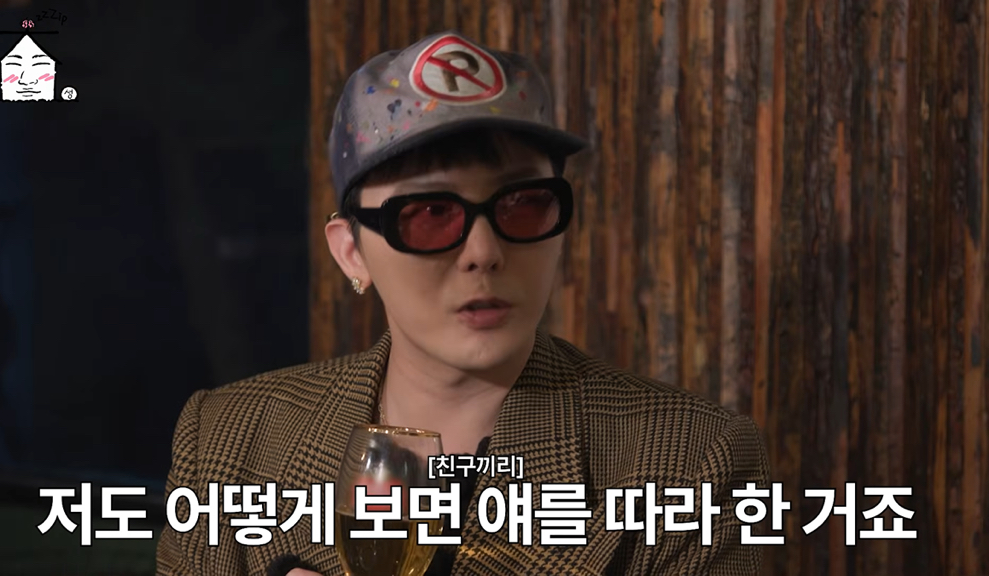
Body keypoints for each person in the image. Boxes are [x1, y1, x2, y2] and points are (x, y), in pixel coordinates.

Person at [156, 30, 769, 576]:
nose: (484, 252)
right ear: (351, 253)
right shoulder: (230, 442)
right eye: (429, 213)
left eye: (523, 205)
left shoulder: (693, 462)